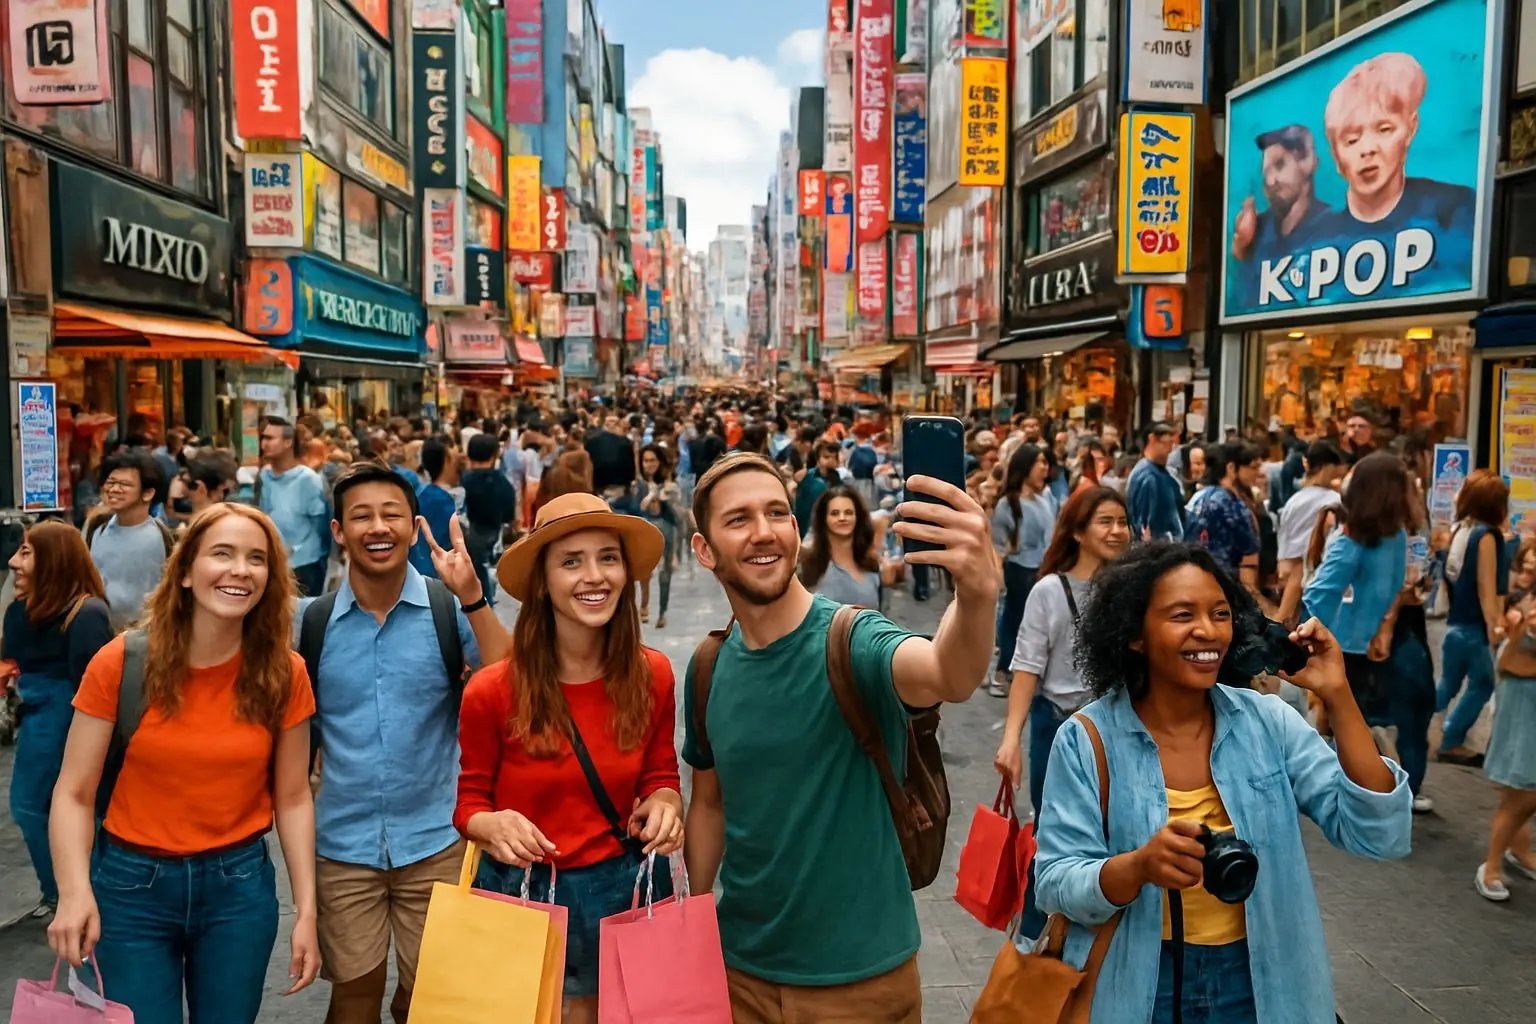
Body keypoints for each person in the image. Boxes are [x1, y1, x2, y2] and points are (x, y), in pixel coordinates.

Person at [1035, 542, 1411, 1023]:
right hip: (1135, 981)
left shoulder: (1267, 723)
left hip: (1263, 978)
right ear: (1134, 635)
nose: (1207, 630)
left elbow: (1377, 832)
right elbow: (1054, 881)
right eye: (1181, 615)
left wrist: (1337, 693)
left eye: (1220, 613)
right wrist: (1138, 867)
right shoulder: (1087, 741)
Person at [683, 452, 1000, 1021]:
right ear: (703, 549)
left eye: (777, 512)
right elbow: (709, 804)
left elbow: (947, 673)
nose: (763, 532)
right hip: (739, 975)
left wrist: (976, 596)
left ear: (796, 530)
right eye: (738, 519)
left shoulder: (852, 640)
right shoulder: (708, 665)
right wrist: (693, 921)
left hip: (859, 983)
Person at [47, 504, 321, 1021]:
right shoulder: (121, 662)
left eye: (257, 559)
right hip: (131, 890)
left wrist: (307, 910)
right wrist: (73, 892)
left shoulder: (285, 673)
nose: (241, 569)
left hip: (237, 891)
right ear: (187, 571)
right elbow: (73, 793)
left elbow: (293, 796)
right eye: (223, 554)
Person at [455, 493, 682, 1021]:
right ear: (542, 581)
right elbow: (468, 803)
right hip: (523, 893)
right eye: (571, 561)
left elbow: (659, 774)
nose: (594, 576)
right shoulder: (491, 691)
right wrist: (491, 823)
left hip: (624, 891)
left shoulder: (655, 675)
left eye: (607, 557)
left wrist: (668, 805)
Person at [303, 462, 511, 1024]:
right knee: (353, 998)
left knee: (433, 1002)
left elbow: (515, 680)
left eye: (391, 514)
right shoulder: (310, 623)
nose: (378, 527)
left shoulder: (446, 610)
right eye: (362, 516)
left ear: (413, 525)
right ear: (339, 532)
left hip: (438, 840)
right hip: (341, 847)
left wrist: (472, 596)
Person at [994, 486, 1129, 940]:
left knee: (1114, 831)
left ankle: (1098, 931)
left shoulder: (1131, 588)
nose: (1117, 531)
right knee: (1052, 835)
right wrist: (1011, 737)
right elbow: (1027, 667)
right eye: (1105, 521)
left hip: (1120, 728)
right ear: (1076, 531)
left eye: (1121, 522)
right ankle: (1033, 940)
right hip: (1058, 726)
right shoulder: (1049, 590)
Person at [1, 522, 114, 918]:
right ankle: (69, 891)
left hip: (65, 717)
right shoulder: (22, 607)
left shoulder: (85, 615)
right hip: (37, 713)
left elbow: (96, 691)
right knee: (40, 804)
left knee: (39, 804)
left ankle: (73, 892)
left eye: (27, 553)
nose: (15, 562)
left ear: (54, 560)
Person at [1303, 451, 1411, 732]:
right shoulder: (1379, 537)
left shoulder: (1373, 537)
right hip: (1351, 647)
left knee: (1346, 726)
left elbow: (1318, 595)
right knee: (1347, 727)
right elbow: (1318, 595)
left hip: (1353, 645)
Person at [1436, 470, 1513, 766]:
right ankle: (1452, 738)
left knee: (1448, 684)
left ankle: (1412, 728)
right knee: (1482, 683)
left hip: (1456, 624)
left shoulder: (1461, 530)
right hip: (1475, 628)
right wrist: (1495, 625)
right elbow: (1487, 586)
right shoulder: (1486, 536)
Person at [1476, 594, 1536, 901]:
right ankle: (1492, 866)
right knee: (1522, 793)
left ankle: (1519, 849)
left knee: (1529, 792)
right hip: (1525, 701)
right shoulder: (1528, 609)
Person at [991, 444, 1058, 697]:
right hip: (1020, 571)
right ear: (1025, 466)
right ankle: (1002, 672)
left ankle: (1032, 674)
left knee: (1041, 625)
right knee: (1016, 621)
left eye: (1046, 462)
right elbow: (997, 545)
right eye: (1039, 462)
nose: (1044, 467)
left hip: (1045, 569)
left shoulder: (1046, 498)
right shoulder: (1008, 504)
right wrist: (998, 578)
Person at [86, 449, 174, 631]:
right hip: (100, 633)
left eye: (125, 484)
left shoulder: (156, 537)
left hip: (142, 637)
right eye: (111, 482)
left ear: (148, 493)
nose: (114, 489)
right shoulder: (97, 528)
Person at [1230, 125, 1331, 264]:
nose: (1271, 181)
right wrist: (1240, 244)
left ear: (1308, 163)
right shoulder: (1258, 230)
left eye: (1279, 165)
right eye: (1266, 173)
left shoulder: (1332, 225)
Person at [257, 417, 331, 597]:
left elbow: (321, 523)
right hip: (275, 560)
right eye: (263, 438)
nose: (264, 443)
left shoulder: (308, 479)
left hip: (305, 563)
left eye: (270, 438)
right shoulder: (264, 476)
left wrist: (302, 549)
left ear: (288, 442)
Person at [1275, 440, 1347, 623]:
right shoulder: (1334, 501)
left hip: (1288, 576)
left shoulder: (1293, 501)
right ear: (1329, 467)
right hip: (1315, 582)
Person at [1184, 442, 1263, 594]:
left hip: (1192, 583)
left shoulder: (1196, 498)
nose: (1257, 473)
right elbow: (1248, 562)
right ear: (1231, 468)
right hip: (1225, 589)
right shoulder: (1233, 505)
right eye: (1252, 467)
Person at [799, 485, 883, 608]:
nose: (842, 518)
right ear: (824, 519)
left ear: (857, 517)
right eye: (834, 513)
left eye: (848, 513)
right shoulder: (808, 566)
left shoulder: (872, 565)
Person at [461, 433, 518, 607]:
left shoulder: (462, 480)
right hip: (491, 537)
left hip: (464, 537)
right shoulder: (502, 482)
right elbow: (509, 515)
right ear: (494, 456)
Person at [637, 443, 682, 627]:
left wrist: (662, 495)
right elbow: (640, 507)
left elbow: (673, 506)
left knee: (665, 573)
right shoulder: (637, 484)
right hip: (645, 527)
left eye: (652, 460)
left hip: (666, 527)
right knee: (644, 571)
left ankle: (662, 612)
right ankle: (644, 604)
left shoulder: (669, 483)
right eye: (645, 460)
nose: (649, 464)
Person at [408, 437, 461, 580]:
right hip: (437, 574)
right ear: (446, 461)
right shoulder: (442, 499)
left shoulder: (419, 493)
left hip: (415, 570)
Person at [1126, 423, 1184, 543]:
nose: (1169, 450)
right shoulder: (1146, 476)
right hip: (1157, 548)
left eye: (1172, 445)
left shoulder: (1166, 473)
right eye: (1165, 444)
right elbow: (1143, 525)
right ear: (1152, 439)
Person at [793, 441, 843, 537]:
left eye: (835, 457)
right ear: (818, 458)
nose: (831, 460)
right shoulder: (810, 476)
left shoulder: (838, 479)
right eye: (826, 457)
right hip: (806, 525)